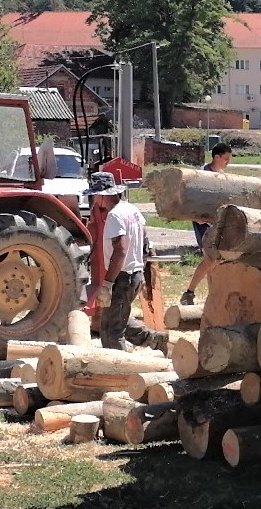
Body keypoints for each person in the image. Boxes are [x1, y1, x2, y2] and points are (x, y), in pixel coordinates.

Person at [88, 172, 165, 352]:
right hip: (133, 275)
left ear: (101, 195)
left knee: (111, 332)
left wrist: (107, 283)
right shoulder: (132, 209)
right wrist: (141, 267)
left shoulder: (115, 216)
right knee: (117, 317)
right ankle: (154, 340)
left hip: (123, 278)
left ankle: (120, 371)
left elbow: (120, 250)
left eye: (94, 195)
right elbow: (145, 241)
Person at [178, 142, 233, 306]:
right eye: (226, 159)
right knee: (211, 259)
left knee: (218, 259)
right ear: (216, 157)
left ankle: (215, 292)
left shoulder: (221, 174)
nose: (227, 163)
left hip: (217, 222)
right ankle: (189, 293)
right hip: (202, 223)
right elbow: (191, 199)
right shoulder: (202, 175)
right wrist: (195, 216)